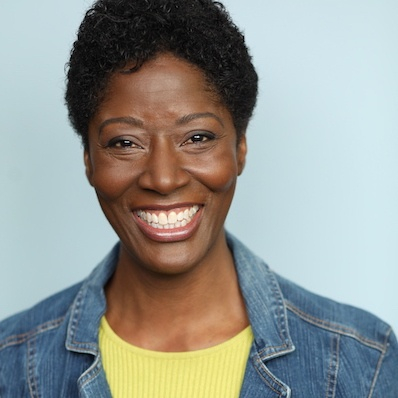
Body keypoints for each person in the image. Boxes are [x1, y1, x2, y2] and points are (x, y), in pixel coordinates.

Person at [0, 0, 397, 396]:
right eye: (125, 143)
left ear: (240, 148)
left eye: (197, 138)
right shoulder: (12, 364)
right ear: (88, 160)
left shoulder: (362, 362)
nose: (163, 178)